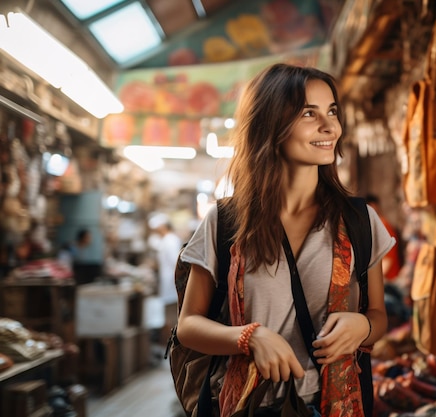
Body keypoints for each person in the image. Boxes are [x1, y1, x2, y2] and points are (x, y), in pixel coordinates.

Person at [176, 63, 395, 417]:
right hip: (248, 405)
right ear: (272, 123)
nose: (330, 127)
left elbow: (379, 316)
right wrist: (249, 337)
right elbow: (188, 326)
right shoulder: (226, 222)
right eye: (310, 113)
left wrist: (365, 326)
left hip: (334, 405)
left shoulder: (359, 221)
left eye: (332, 111)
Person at [148, 213, 182, 342]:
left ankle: (175, 344)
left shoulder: (171, 240)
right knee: (169, 315)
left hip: (171, 284)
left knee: (172, 316)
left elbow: (175, 263)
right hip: (168, 284)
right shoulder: (166, 240)